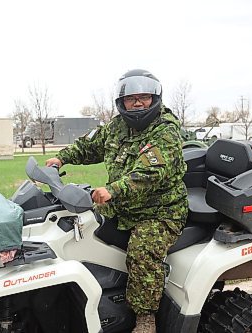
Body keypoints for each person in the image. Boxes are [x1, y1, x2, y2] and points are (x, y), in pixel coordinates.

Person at [46, 69, 188, 333]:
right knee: (81, 232)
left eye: (143, 97)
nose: (137, 103)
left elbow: (150, 172)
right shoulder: (117, 126)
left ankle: (146, 319)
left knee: (142, 252)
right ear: (121, 102)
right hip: (121, 206)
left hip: (159, 211)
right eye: (131, 98)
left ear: (154, 98)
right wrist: (61, 158)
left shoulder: (165, 130)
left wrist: (114, 189)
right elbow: (90, 145)